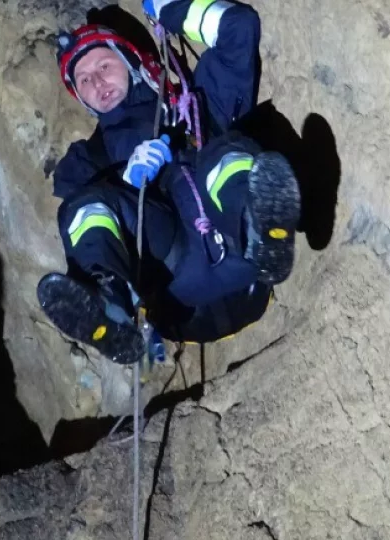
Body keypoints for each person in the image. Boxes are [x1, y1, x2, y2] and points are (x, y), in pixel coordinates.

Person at [37, 0, 301, 364]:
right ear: (82, 98)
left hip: (245, 258)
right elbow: (81, 219)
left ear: (131, 61)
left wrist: (170, 9)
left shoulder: (197, 103)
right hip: (176, 286)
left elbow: (238, 27)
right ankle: (112, 307)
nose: (97, 82)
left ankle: (260, 232)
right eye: (83, 80)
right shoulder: (85, 163)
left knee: (223, 154)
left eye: (103, 65)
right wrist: (129, 185)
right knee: (86, 209)